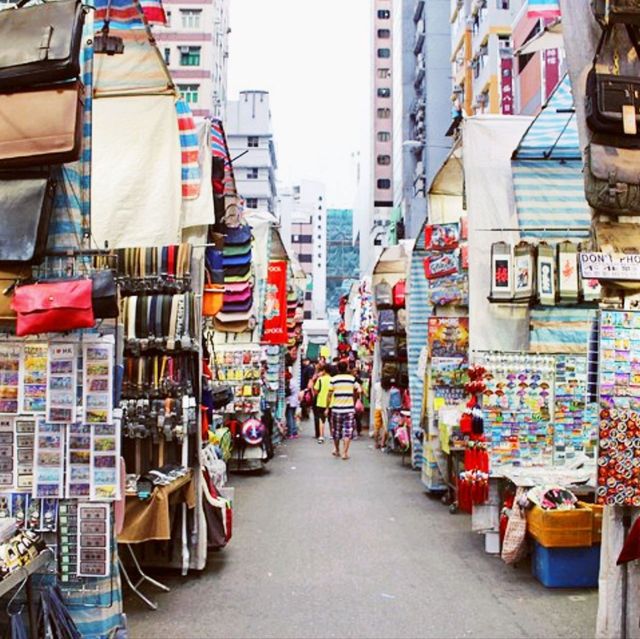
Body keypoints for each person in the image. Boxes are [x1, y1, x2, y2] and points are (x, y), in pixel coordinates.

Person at [326, 360, 359, 460]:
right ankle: (345, 453)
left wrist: (327, 407)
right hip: (349, 409)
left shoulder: (334, 379)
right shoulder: (352, 379)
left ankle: (337, 450)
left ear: (338, 369)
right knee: (348, 432)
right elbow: (359, 390)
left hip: (336, 409)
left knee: (336, 431)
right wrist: (354, 399)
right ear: (347, 368)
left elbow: (329, 395)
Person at [312, 364, 331, 444]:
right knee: (331, 420)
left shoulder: (320, 379)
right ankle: (332, 435)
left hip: (320, 402)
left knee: (321, 420)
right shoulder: (333, 379)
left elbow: (316, 391)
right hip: (331, 403)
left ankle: (321, 436)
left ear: (324, 371)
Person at [285, 371, 300, 439]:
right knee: (293, 416)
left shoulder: (289, 383)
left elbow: (288, 392)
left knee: (289, 416)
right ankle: (294, 432)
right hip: (295, 401)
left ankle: (290, 433)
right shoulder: (295, 381)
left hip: (290, 401)